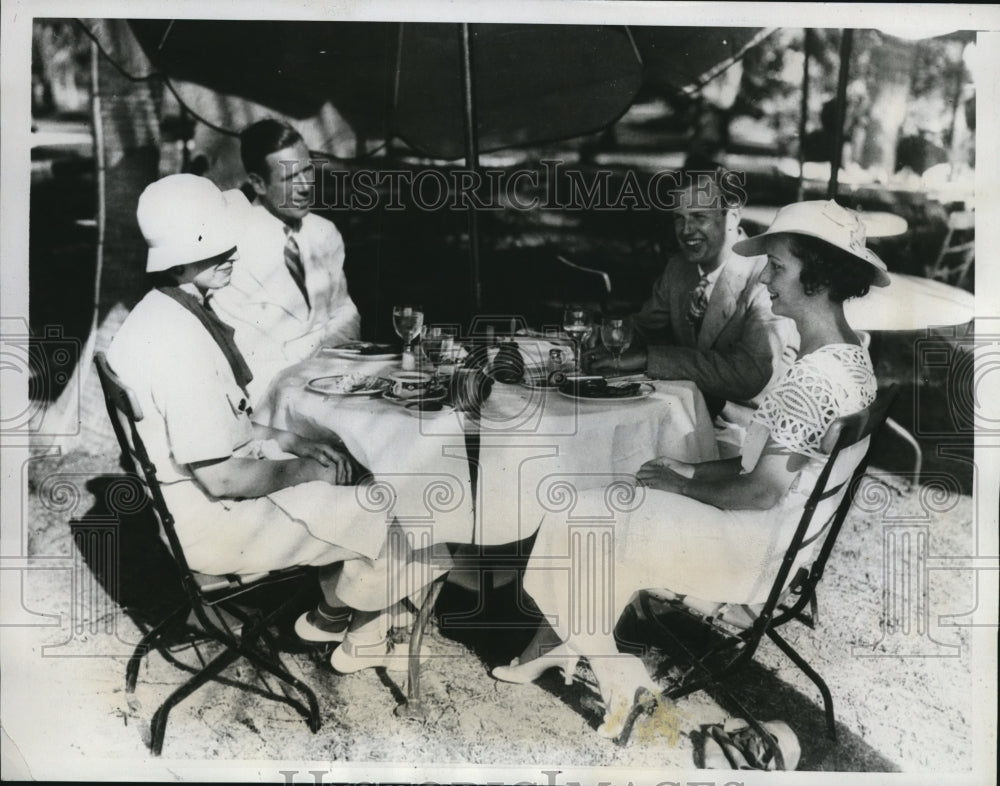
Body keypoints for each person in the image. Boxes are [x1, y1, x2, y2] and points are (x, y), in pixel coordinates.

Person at [494, 200, 890, 739]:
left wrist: (683, 482)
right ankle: (560, 644)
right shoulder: (851, 358)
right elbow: (773, 468)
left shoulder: (812, 382)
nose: (767, 279)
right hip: (784, 542)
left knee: (578, 517)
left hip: (751, 552)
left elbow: (759, 491)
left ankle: (616, 676)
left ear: (817, 275)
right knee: (611, 501)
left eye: (778, 267)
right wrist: (689, 471)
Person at [106, 174, 432, 674]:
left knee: (346, 463)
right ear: (177, 258)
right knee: (390, 500)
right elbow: (222, 476)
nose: (230, 256)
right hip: (210, 525)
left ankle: (336, 611)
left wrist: (289, 440)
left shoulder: (160, 314)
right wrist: (309, 472)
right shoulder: (179, 343)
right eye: (214, 251)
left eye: (228, 244)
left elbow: (217, 428)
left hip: (181, 507)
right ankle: (346, 624)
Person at [586, 164, 797, 452]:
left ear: (732, 216)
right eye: (678, 219)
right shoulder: (680, 269)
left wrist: (649, 359)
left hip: (754, 437)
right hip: (694, 418)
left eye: (699, 217)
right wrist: (600, 334)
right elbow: (643, 327)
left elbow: (747, 375)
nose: (686, 231)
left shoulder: (764, 277)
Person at [211, 119, 361, 400]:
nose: (305, 186)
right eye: (291, 178)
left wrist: (324, 364)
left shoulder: (324, 232)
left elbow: (346, 313)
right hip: (271, 396)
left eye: (307, 171)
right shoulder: (232, 248)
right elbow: (247, 352)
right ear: (258, 183)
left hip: (331, 381)